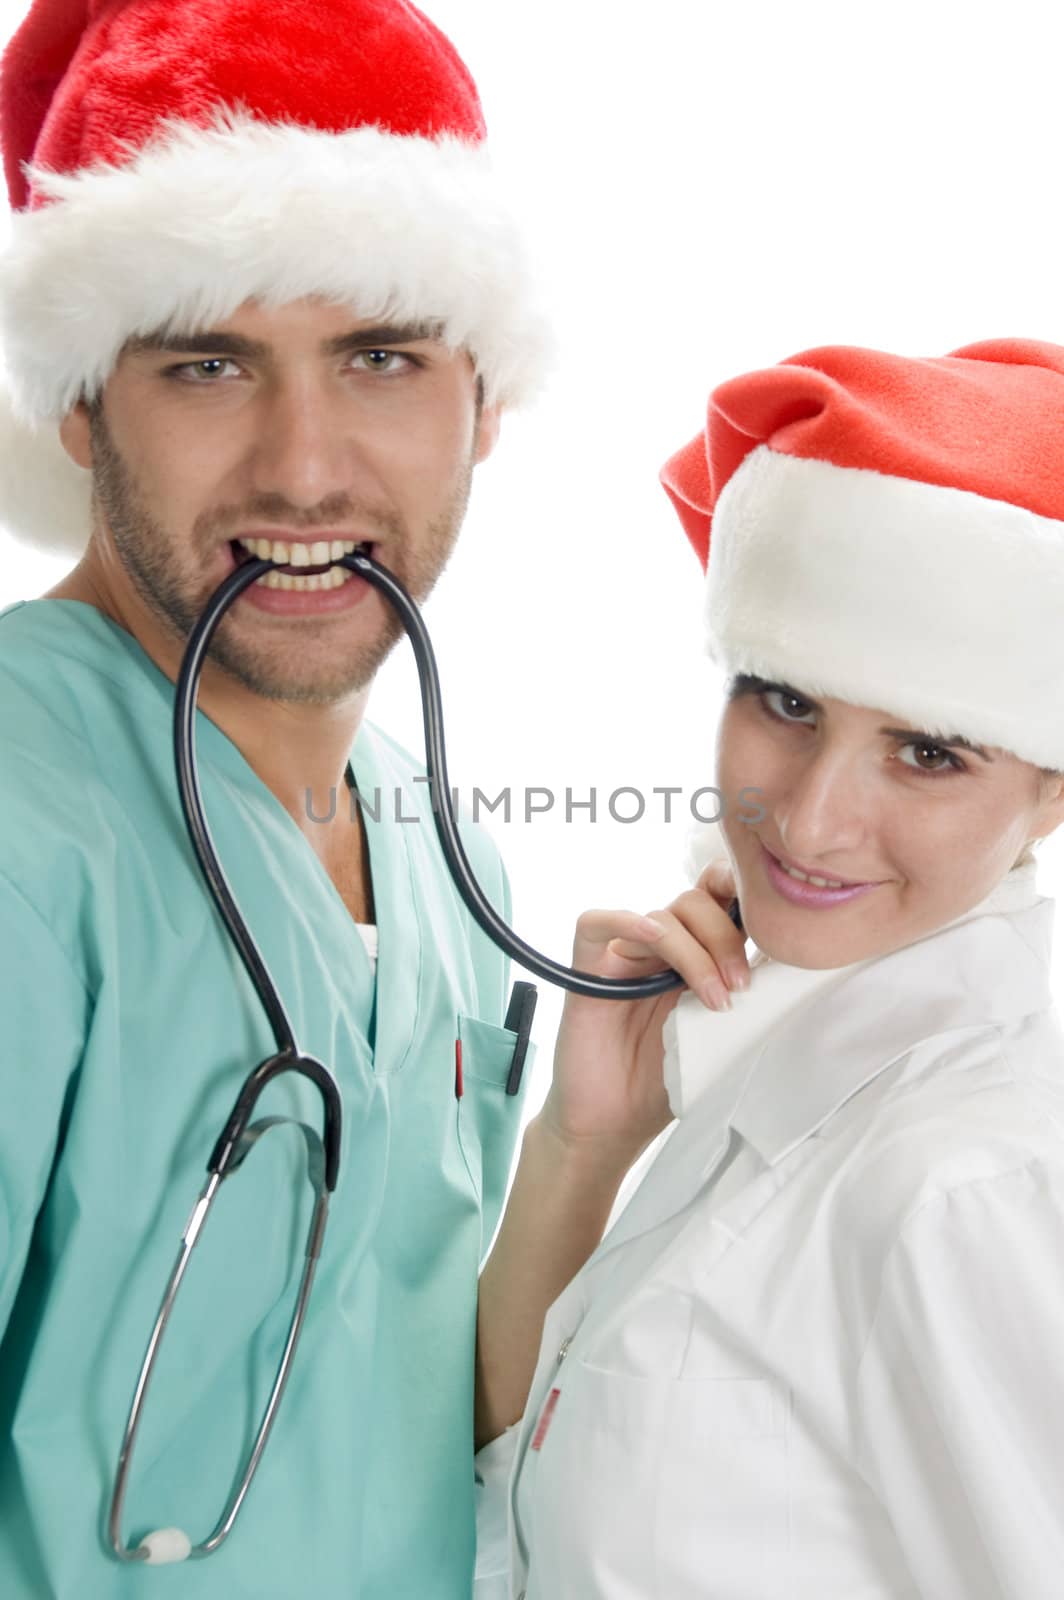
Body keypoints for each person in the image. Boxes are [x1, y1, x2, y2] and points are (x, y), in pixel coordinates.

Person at [0, 2, 722, 1595]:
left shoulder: (436, 842)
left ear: (484, 404)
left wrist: (585, 1139)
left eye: (380, 357)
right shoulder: (22, 823)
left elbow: (394, 1416)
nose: (307, 467)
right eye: (209, 362)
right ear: (80, 404)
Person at [475, 339, 1064, 1599]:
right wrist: (582, 1145)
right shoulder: (783, 1079)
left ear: (1050, 792)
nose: (805, 821)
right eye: (783, 700)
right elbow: (517, 1490)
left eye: (927, 753)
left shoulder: (961, 1184)